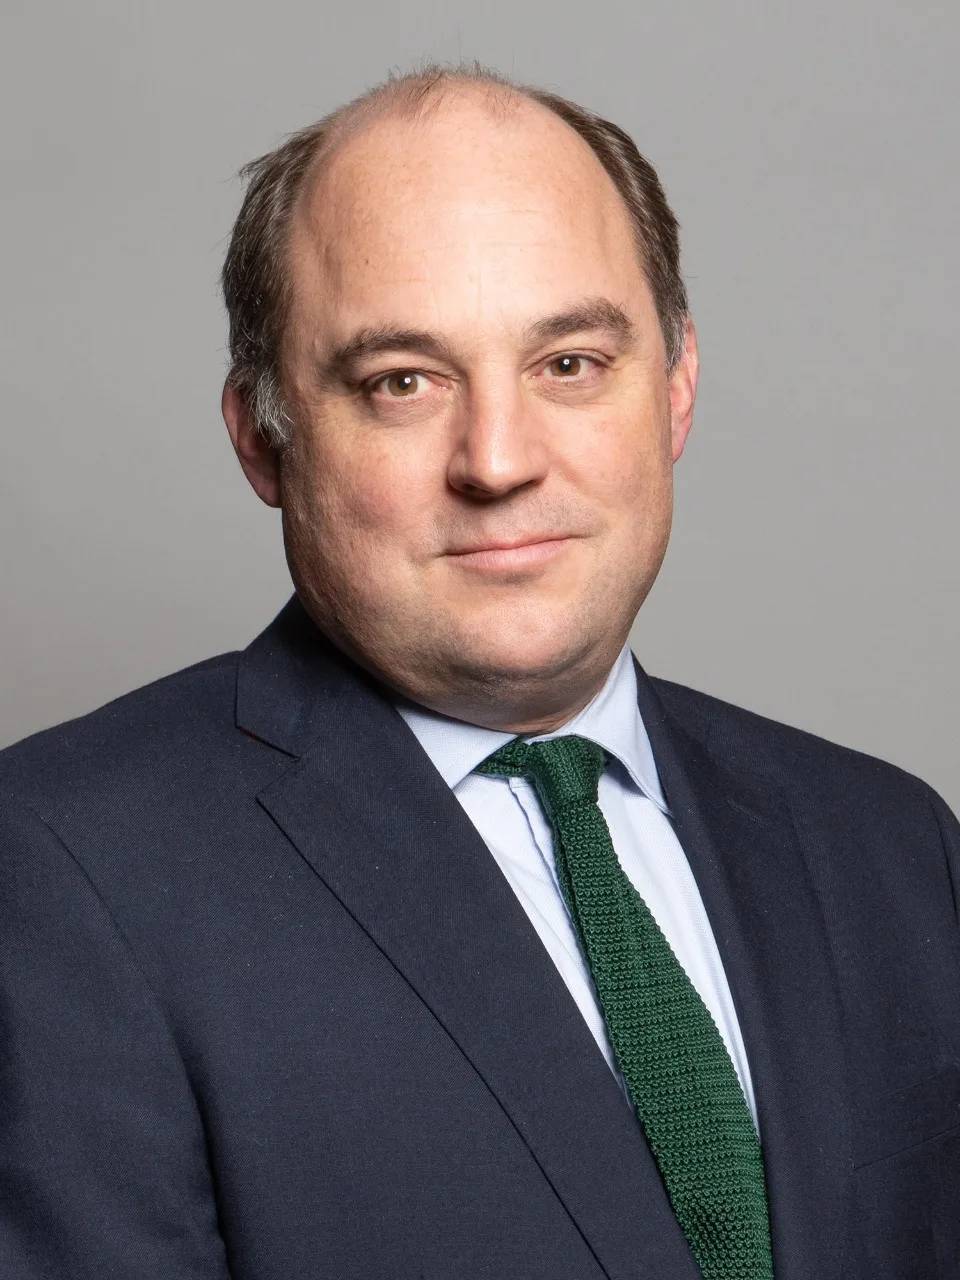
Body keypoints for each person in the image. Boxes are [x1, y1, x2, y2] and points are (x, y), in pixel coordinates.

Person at [1, 64, 958, 1280]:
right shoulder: (63, 876)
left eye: (570, 362)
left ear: (675, 390)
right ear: (262, 438)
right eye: (402, 381)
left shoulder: (891, 849)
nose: (498, 460)